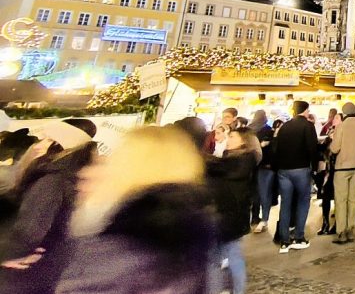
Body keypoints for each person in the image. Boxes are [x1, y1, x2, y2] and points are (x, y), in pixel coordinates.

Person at [55, 126, 216, 294]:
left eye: (111, 162)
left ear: (132, 170)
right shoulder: (182, 237)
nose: (86, 172)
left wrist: (91, 214)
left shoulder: (121, 250)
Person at [0, 120, 96, 294]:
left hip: (21, 277)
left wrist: (6, 254)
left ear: (62, 148)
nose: (38, 145)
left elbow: (28, 234)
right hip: (39, 273)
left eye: (48, 140)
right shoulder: (63, 179)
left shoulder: (51, 182)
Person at [206, 128, 259, 294]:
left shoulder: (243, 160)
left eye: (233, 136)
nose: (228, 139)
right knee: (223, 253)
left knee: (227, 254)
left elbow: (226, 171)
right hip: (227, 213)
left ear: (244, 140)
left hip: (231, 213)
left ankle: (235, 290)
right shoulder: (232, 158)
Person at [273, 101, 318, 252]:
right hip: (301, 169)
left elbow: (277, 148)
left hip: (283, 170)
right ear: (305, 110)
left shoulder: (284, 126)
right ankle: (299, 237)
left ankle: (284, 241)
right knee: (303, 202)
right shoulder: (308, 126)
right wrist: (315, 168)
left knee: (285, 204)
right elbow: (312, 148)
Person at [330, 102, 355, 244]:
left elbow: (335, 148)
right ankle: (351, 230)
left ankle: (341, 232)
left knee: (341, 200)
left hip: (342, 167)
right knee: (353, 199)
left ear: (344, 112)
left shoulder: (341, 127)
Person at [251, 110, 276, 233]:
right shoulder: (269, 130)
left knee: (255, 193)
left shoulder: (250, 130)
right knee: (265, 193)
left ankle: (255, 217)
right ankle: (264, 219)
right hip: (265, 166)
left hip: (252, 166)